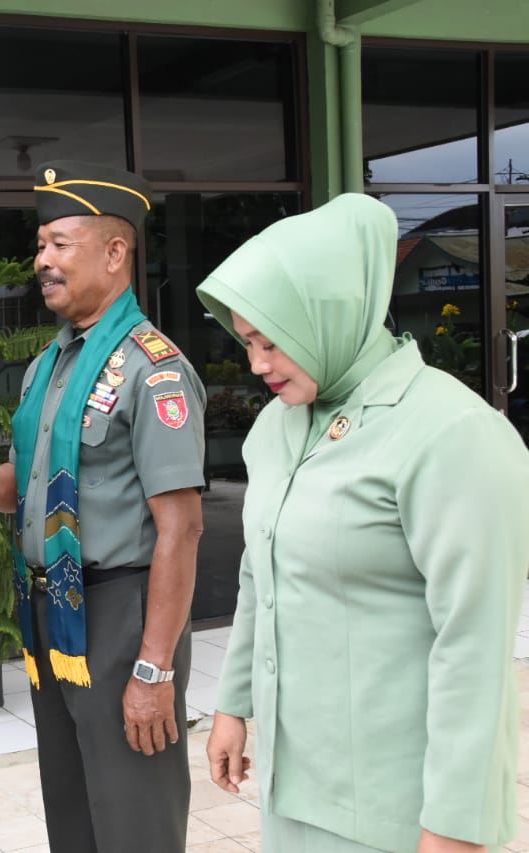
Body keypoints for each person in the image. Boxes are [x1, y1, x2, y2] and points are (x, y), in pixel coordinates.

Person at [199, 193, 529, 852]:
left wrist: (455, 825)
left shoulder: (452, 434)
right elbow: (256, 575)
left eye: (272, 340)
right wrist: (233, 704)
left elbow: (474, 644)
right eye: (247, 340)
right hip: (296, 785)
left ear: (332, 316)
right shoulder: (277, 427)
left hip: (399, 807)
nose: (256, 362)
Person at [0, 161, 206, 852]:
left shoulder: (153, 369)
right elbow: (31, 481)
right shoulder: (51, 365)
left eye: (59, 243)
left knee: (134, 818)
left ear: (114, 251)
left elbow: (183, 528)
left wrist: (154, 667)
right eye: (39, 245)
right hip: (55, 617)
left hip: (123, 616)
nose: (42, 260)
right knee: (72, 813)